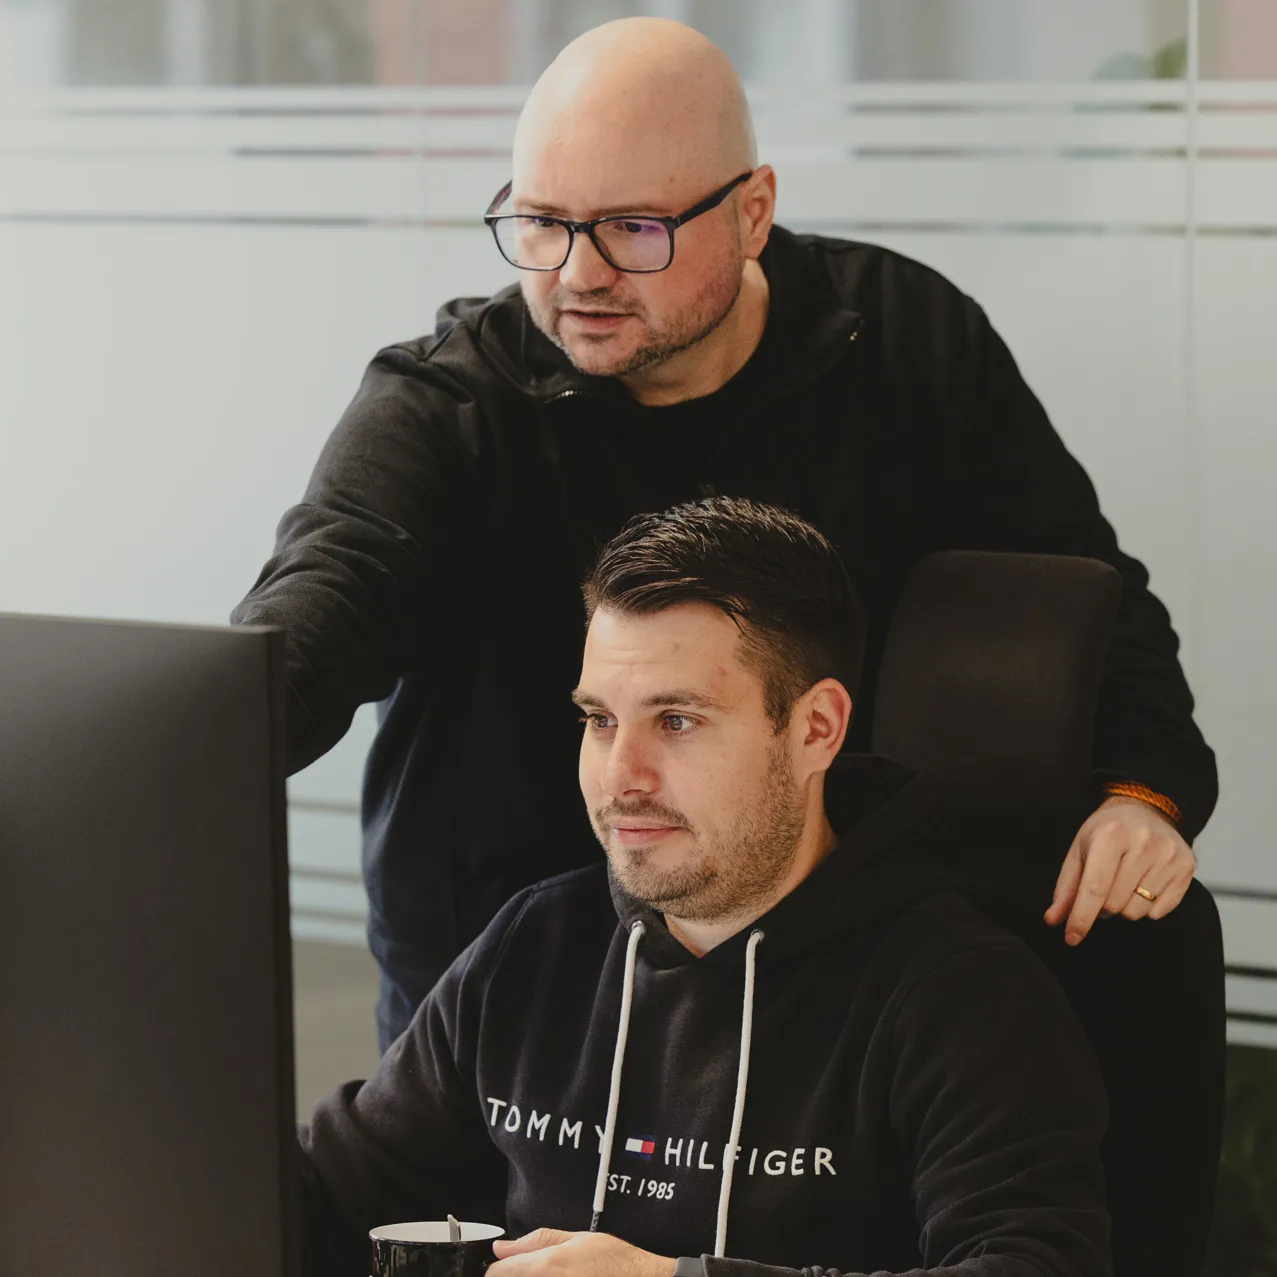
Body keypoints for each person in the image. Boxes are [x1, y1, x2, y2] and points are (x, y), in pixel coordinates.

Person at [232, 17, 1217, 1051]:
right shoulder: (446, 404)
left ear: (750, 212)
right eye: (539, 224)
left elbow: (1078, 593)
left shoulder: (901, 343)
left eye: (632, 230)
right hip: (507, 1010)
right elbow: (322, 601)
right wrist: (206, 751)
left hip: (821, 1000)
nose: (577, 275)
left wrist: (1137, 792)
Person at [297, 497, 1111, 1277]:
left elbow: (1035, 1265)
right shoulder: (535, 947)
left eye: (676, 720)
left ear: (815, 729)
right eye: (599, 719)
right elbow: (322, 1199)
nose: (622, 776)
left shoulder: (958, 995)